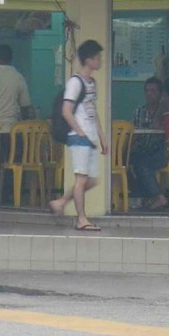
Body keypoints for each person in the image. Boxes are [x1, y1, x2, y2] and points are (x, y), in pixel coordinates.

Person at [49, 39, 107, 232]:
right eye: (97, 57)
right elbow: (67, 110)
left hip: (89, 137)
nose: (100, 60)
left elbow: (93, 111)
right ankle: (81, 219)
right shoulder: (75, 82)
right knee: (81, 180)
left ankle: (61, 202)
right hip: (78, 137)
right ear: (89, 59)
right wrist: (80, 132)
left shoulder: (92, 83)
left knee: (91, 180)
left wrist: (101, 136)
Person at [0, 44, 33, 202]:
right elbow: (25, 106)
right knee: (14, 163)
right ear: (11, 58)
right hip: (11, 129)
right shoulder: (17, 77)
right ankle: (10, 194)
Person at [132, 77, 169, 211]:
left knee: (142, 163)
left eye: (153, 91)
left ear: (161, 94)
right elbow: (135, 136)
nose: (149, 94)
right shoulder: (139, 112)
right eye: (147, 91)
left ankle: (157, 197)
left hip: (161, 152)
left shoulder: (165, 112)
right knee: (127, 162)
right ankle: (143, 197)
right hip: (142, 150)